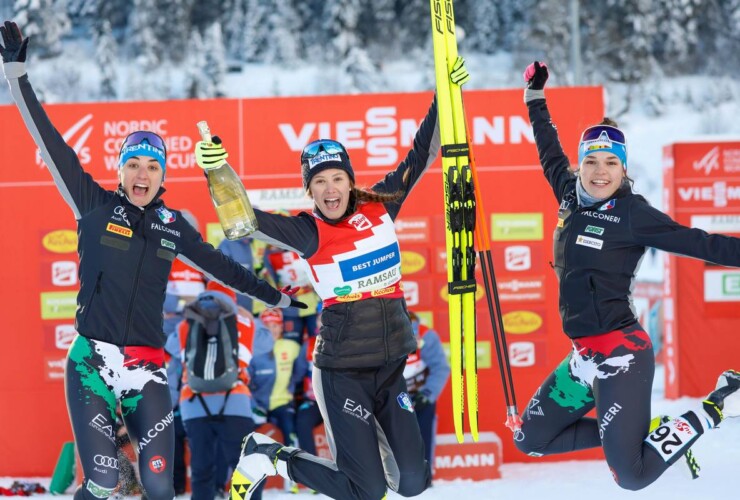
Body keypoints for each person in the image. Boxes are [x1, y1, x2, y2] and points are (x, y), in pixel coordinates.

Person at [0, 21, 303, 500]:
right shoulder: (93, 205)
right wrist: (16, 71)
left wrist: (276, 296)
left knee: (160, 484)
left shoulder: (172, 224)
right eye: (134, 165)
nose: (143, 174)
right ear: (121, 170)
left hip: (146, 367)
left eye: (153, 166)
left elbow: (222, 267)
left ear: (163, 174)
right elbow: (48, 139)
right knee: (102, 483)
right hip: (91, 366)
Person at [194, 61, 469, 499]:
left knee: (414, 483)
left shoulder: (380, 207)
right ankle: (270, 454)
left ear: (350, 181)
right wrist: (215, 173)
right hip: (342, 372)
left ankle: (363, 465)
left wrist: (445, 97)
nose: (329, 189)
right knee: (367, 492)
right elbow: (241, 221)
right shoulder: (308, 230)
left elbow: (423, 153)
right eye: (319, 181)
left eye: (337, 178)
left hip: (392, 367)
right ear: (310, 189)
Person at [516, 60, 740, 491]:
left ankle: (718, 404)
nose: (600, 172)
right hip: (585, 356)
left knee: (631, 476)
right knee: (531, 439)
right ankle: (648, 435)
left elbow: (700, 243)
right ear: (581, 166)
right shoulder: (568, 194)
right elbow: (547, 147)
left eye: (611, 163)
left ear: (623, 169)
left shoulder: (632, 214)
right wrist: (534, 96)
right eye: (592, 162)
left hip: (622, 353)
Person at [176, 285, 262, 500]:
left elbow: (173, 352)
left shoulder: (185, 324)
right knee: (245, 464)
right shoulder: (245, 323)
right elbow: (267, 341)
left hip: (194, 401)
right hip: (235, 398)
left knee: (201, 467)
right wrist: (247, 316)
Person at [247, 308, 305, 493]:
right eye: (267, 326)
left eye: (275, 326)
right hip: (258, 405)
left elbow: (301, 370)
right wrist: (254, 406)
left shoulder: (291, 346)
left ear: (281, 328)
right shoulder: (253, 349)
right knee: (244, 436)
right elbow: (245, 381)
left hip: (282, 402)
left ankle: (294, 480)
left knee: (291, 432)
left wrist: (291, 386)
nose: (271, 329)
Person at [404, 312, 450, 469]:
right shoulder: (381, 335)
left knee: (424, 435)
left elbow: (440, 368)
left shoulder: (426, 335)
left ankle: (425, 473)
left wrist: (428, 394)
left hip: (420, 394)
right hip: (394, 396)